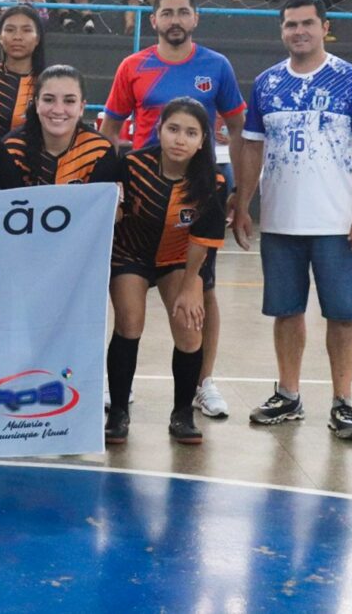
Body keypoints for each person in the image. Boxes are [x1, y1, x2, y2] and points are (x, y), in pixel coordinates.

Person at [232, 0, 352, 441]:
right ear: (281, 30)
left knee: (342, 315)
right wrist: (242, 203)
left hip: (337, 224)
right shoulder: (266, 83)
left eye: (306, 23)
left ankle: (343, 403)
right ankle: (289, 395)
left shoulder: (351, 79)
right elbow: (254, 147)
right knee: (286, 312)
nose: (298, 31)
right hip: (280, 223)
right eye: (290, 25)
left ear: (324, 26)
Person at [101, 0, 247, 419]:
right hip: (143, 198)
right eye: (167, 13)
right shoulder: (134, 65)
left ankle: (202, 383)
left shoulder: (216, 66)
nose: (176, 20)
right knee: (128, 312)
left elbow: (239, 128)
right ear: (155, 20)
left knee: (202, 293)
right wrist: (113, 188)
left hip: (193, 200)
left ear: (195, 18)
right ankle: (120, 391)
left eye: (183, 12)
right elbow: (110, 131)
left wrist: (237, 191)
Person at [106, 98, 227, 445]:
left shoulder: (212, 182)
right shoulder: (130, 165)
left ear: (203, 140)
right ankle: (118, 411)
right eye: (173, 129)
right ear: (159, 130)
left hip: (178, 260)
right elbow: (109, 211)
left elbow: (202, 241)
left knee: (190, 329)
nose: (180, 139)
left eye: (191, 133)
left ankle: (182, 413)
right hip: (129, 254)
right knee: (129, 322)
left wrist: (192, 285)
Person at [0, 64, 120, 188]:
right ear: (37, 104)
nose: (58, 110)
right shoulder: (11, 149)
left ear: (81, 107)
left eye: (69, 101)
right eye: (49, 100)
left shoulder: (100, 151)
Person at [0, 4, 47, 138]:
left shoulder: (48, 81)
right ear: (0, 36)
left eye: (26, 30)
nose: (17, 37)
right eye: (10, 30)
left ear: (37, 39)